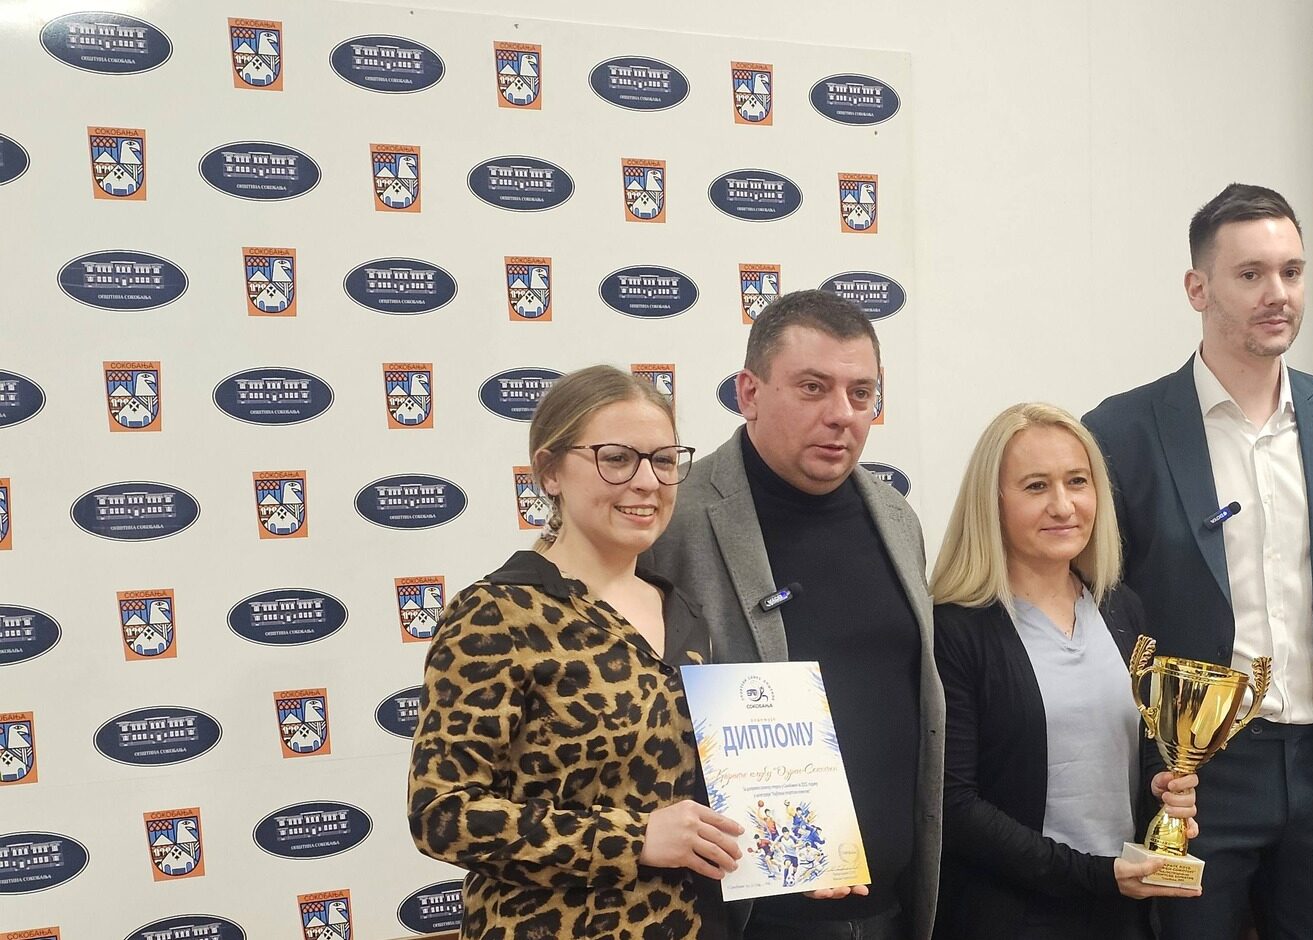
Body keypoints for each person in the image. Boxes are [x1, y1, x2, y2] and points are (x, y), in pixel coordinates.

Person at [1084, 184, 1313, 939]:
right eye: (1251, 275)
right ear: (1197, 288)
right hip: (1194, 782)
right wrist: (1144, 769)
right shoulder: (1123, 429)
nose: (1279, 294)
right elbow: (1105, 618)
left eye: (1292, 272)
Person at [645, 289, 941, 940]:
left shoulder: (897, 517)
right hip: (742, 918)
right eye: (813, 388)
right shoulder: (672, 520)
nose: (842, 415)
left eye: (861, 394)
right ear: (749, 393)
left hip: (891, 911)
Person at [407, 365, 738, 939]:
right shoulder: (497, 614)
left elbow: (706, 800)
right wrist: (634, 839)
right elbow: (442, 814)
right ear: (550, 471)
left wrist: (794, 850)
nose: (647, 481)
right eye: (617, 458)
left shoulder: (683, 612)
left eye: (663, 461)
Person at [928, 402, 1203, 940]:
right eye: (1036, 487)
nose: (1063, 505)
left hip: (1124, 912)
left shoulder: (1122, 609)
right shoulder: (956, 629)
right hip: (1014, 917)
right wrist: (1094, 875)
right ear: (993, 502)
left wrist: (1165, 789)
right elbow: (954, 806)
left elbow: (1145, 741)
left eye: (1077, 481)